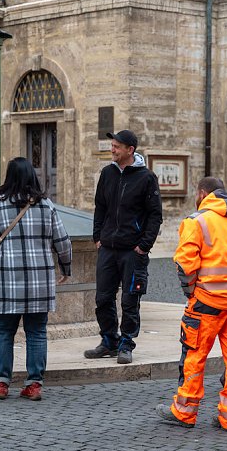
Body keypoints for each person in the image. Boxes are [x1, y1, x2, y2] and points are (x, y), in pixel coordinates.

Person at [156, 177, 227, 432]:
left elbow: (185, 264)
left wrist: (192, 290)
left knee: (195, 356)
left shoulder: (197, 221)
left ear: (203, 193)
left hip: (207, 303)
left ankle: (185, 412)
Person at [0, 157, 72, 401]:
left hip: (6, 280)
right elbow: (63, 242)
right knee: (37, 331)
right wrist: (66, 268)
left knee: (3, 330)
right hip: (38, 280)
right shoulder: (46, 206)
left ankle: (1, 383)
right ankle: (34, 384)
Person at [84, 130, 163, 364]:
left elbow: (155, 215)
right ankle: (109, 340)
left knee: (130, 300)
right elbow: (100, 207)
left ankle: (126, 343)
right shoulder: (107, 173)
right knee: (103, 298)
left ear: (130, 150)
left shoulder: (147, 178)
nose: (112, 149)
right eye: (112, 145)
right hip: (107, 247)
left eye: (117, 146)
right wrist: (98, 237)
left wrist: (144, 246)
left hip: (132, 251)